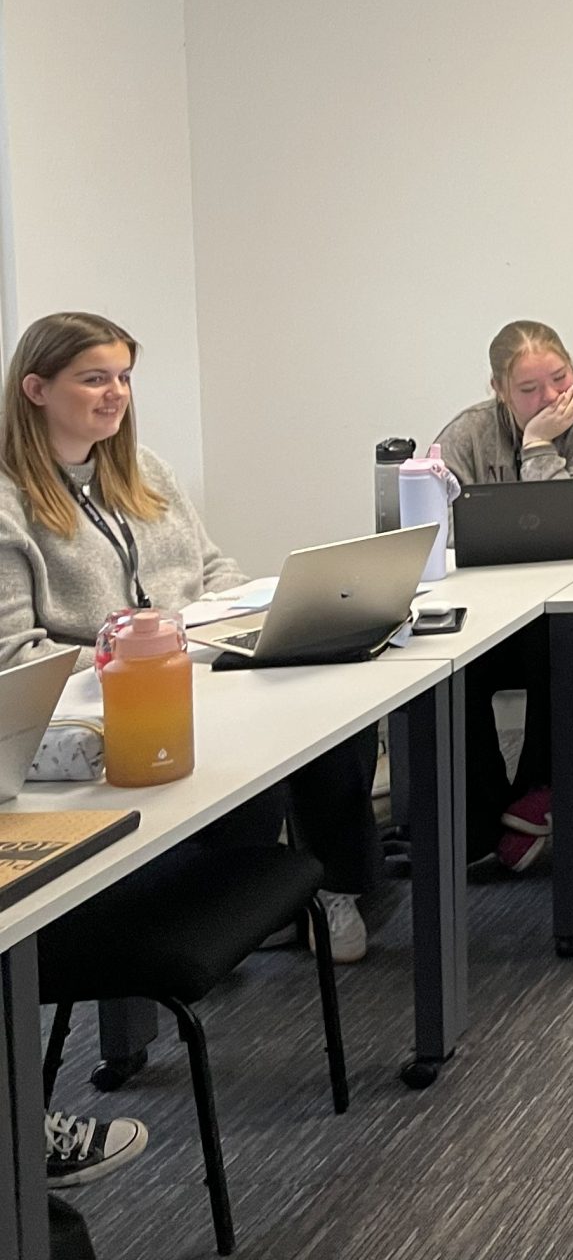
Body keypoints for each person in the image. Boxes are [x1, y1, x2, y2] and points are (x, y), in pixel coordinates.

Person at [0, 312, 386, 1183]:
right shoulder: (9, 502)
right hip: (103, 712)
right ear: (37, 389)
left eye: (124, 378)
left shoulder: (147, 473)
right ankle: (234, 898)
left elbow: (218, 577)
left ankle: (332, 890)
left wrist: (233, 624)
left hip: (206, 673)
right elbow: (16, 657)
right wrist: (130, 645)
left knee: (335, 709)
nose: (115, 395)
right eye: (95, 378)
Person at [432, 321, 573, 873]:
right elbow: (437, 527)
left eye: (560, 379)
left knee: (564, 646)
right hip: (491, 607)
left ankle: (540, 796)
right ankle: (483, 821)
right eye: (529, 390)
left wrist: (538, 444)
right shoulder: (466, 435)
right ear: (497, 389)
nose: (551, 398)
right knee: (446, 666)